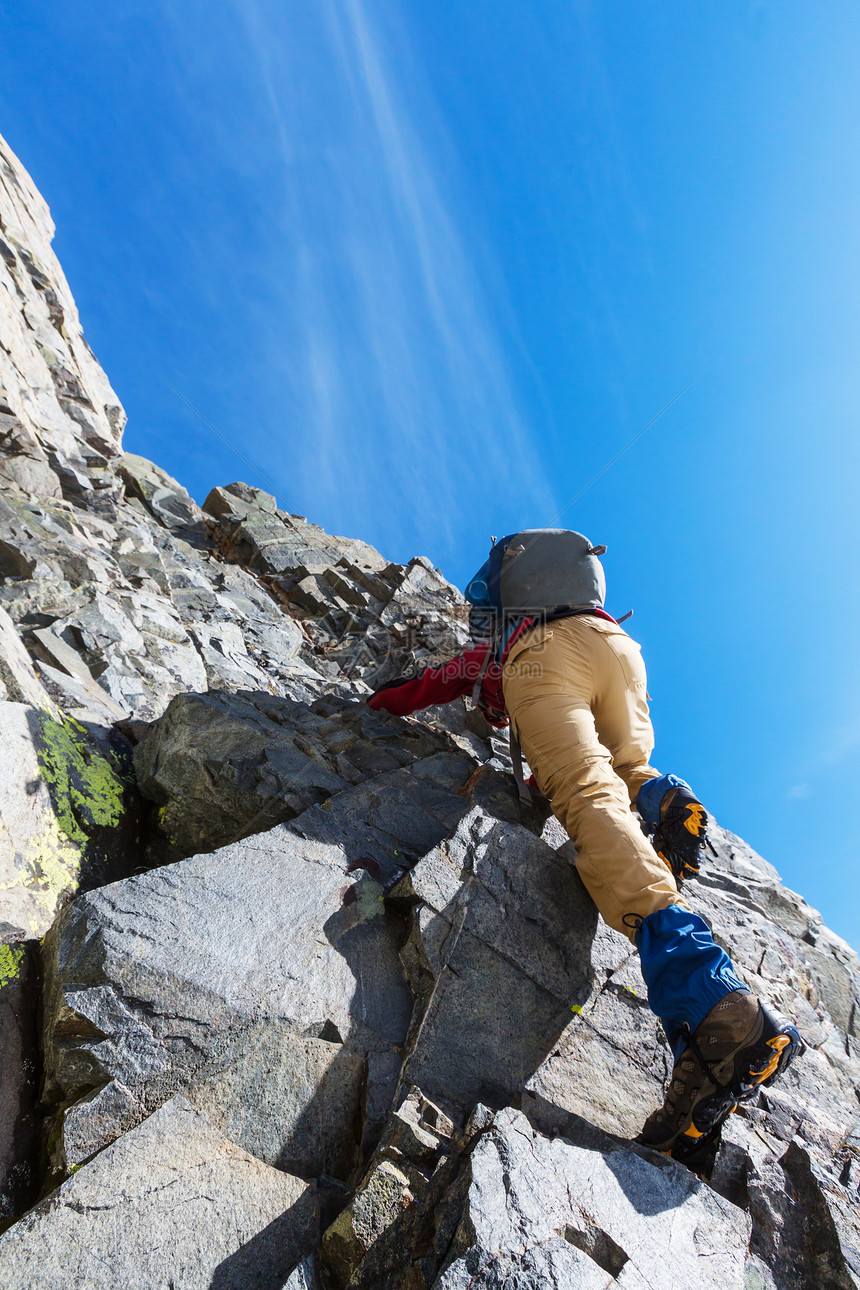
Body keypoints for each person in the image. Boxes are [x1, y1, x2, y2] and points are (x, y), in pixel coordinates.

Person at [368, 528, 803, 1169]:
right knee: (626, 765)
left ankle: (709, 995)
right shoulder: (593, 613)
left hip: (548, 658)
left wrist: (381, 703)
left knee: (584, 791)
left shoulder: (506, 643)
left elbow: (438, 680)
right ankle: (666, 800)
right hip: (620, 653)